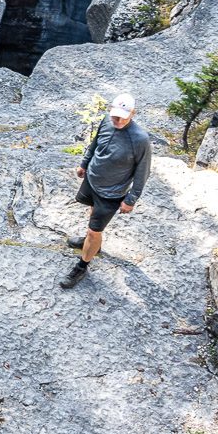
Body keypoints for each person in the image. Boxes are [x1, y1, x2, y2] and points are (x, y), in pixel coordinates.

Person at [60, 92, 152, 288]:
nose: (117, 120)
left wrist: (131, 199)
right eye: (114, 115)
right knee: (92, 213)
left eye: (122, 116)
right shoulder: (106, 120)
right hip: (92, 180)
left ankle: (82, 266)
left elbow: (143, 172)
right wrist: (84, 164)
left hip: (112, 192)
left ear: (133, 114)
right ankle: (92, 243)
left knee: (95, 230)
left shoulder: (140, 140)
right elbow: (94, 144)